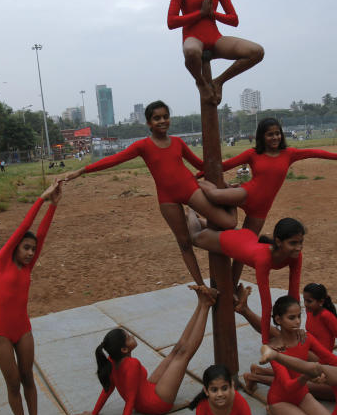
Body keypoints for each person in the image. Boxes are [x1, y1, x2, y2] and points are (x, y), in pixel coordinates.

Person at [60, 101, 235, 289]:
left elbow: (201, 165)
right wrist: (82, 170)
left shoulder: (178, 142)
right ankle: (201, 286)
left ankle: (191, 213)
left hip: (190, 190)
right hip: (167, 199)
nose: (162, 121)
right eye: (157, 118)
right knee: (184, 244)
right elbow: (114, 159)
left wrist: (223, 181)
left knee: (228, 223)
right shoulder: (143, 146)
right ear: (149, 123)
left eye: (165, 117)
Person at [197, 118, 337, 285]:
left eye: (277, 133)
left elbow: (314, 153)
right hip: (246, 193)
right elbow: (224, 166)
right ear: (262, 137)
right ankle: (191, 183)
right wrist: (196, 174)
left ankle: (231, 285)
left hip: (261, 210)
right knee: (215, 196)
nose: (275, 137)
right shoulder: (253, 154)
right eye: (270, 134)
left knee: (243, 250)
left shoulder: (289, 154)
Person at [73, 285, 217, 415]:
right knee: (183, 355)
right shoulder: (132, 364)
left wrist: (94, 413)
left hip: (149, 389)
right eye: (129, 337)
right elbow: (130, 401)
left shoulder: (112, 361)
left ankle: (200, 304)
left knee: (176, 350)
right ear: (123, 349)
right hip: (157, 403)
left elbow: (107, 389)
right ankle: (206, 307)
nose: (132, 336)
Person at [0, 181, 62, 415]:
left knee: (28, 376)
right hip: (0, 334)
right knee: (13, 383)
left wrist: (54, 205)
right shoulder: (1, 263)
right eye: (26, 248)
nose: (30, 253)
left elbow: (41, 233)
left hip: (23, 330)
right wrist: (41, 200)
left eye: (33, 249)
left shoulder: (27, 269)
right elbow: (24, 228)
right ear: (15, 248)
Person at [167, 0, 263, 105]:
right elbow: (171, 22)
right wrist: (200, 13)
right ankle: (201, 83)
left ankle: (219, 81)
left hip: (215, 38)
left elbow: (234, 20)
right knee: (190, 51)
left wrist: (213, 14)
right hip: (193, 38)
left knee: (256, 51)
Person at [187, 214, 304, 343]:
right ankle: (191, 212)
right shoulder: (263, 260)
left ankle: (201, 221)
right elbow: (266, 307)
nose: (298, 247)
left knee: (218, 232)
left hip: (247, 238)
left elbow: (294, 293)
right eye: (293, 243)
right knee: (195, 237)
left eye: (300, 242)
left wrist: (296, 327)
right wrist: (266, 343)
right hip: (230, 242)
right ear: (278, 242)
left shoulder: (295, 255)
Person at [246, 295, 337, 415]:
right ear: (278, 319)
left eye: (299, 316)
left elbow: (331, 359)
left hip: (302, 395)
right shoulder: (273, 349)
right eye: (291, 317)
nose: (297, 321)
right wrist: (308, 374)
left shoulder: (305, 338)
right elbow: (288, 386)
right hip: (281, 400)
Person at [303, 283, 337, 353]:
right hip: (311, 348)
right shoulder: (309, 311)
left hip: (323, 355)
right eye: (304, 300)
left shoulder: (326, 316)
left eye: (309, 301)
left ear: (321, 301)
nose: (305, 304)